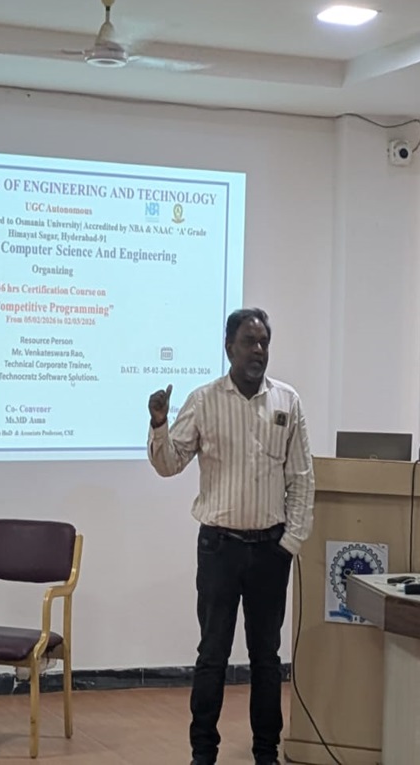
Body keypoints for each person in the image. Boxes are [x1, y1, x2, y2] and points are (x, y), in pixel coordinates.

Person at [147, 308, 315, 765]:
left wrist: (290, 544)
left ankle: (266, 753)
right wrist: (159, 424)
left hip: (270, 550)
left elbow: (302, 478)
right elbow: (169, 464)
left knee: (266, 658)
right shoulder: (203, 401)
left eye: (264, 342)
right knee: (212, 655)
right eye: (248, 342)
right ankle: (203, 753)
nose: (258, 350)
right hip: (219, 548)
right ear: (229, 348)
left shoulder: (287, 401)